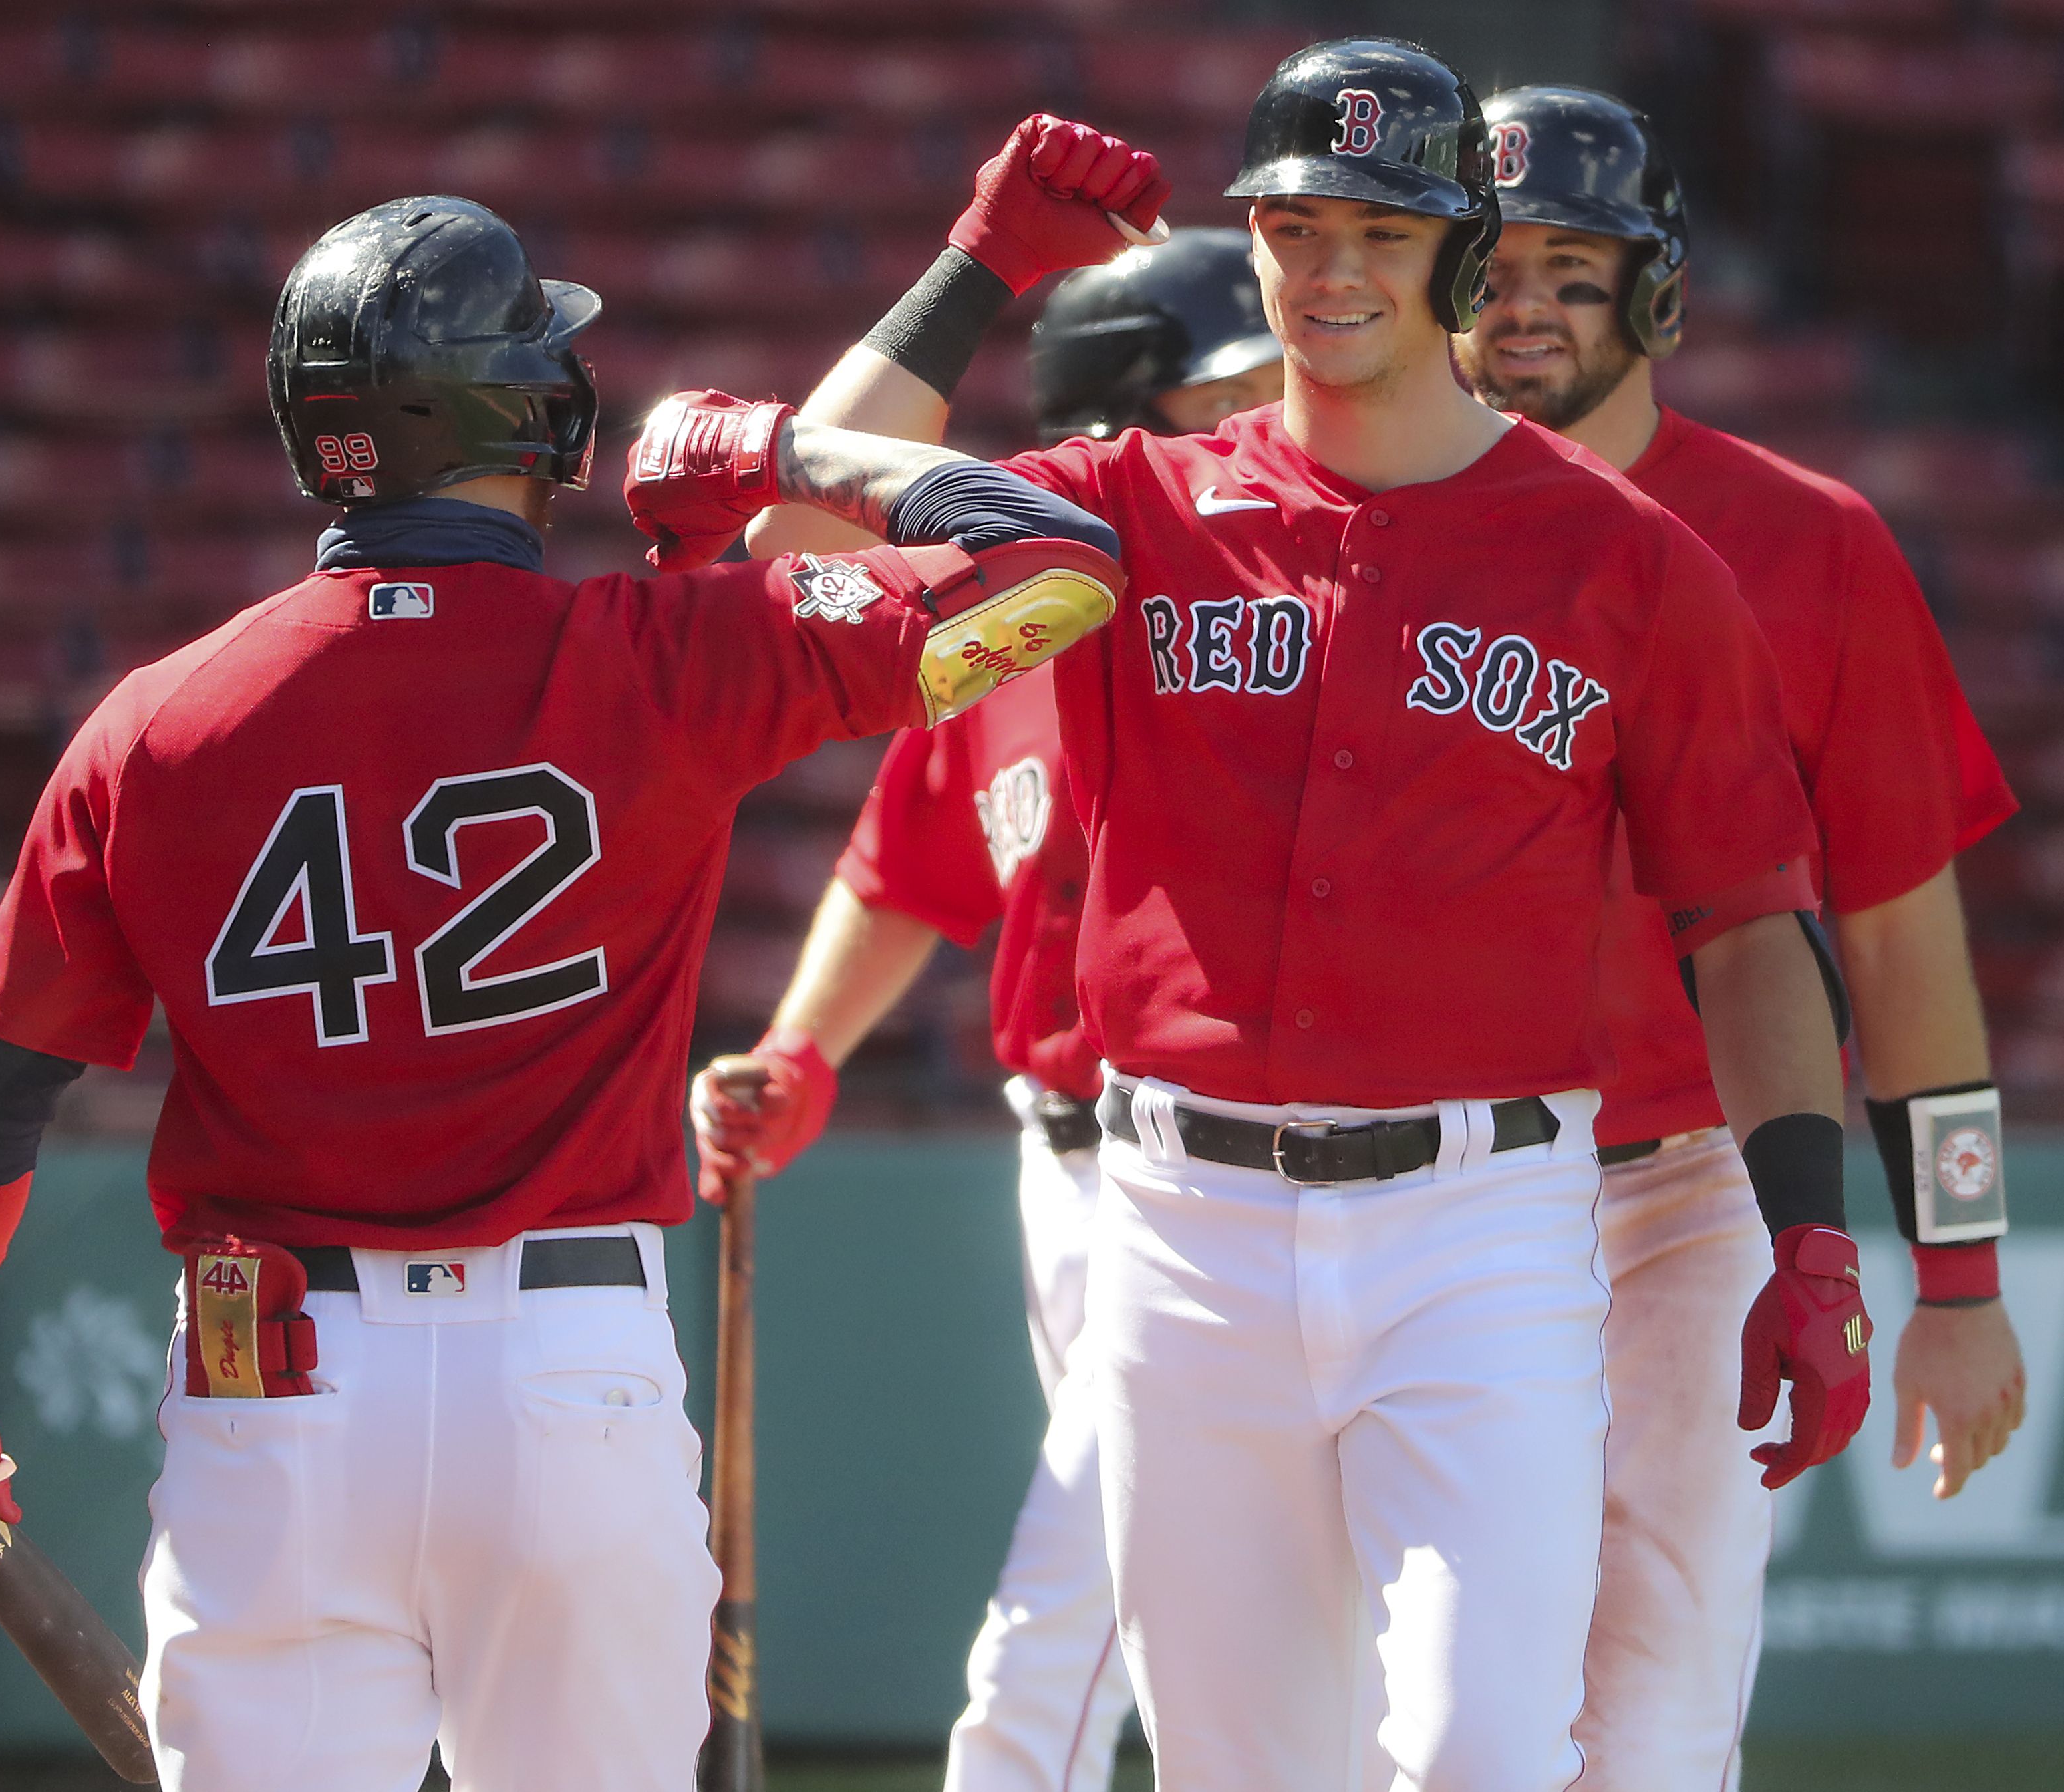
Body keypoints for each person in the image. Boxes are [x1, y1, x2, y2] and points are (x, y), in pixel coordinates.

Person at [0, 195, 1128, 1792]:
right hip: (565, 1378)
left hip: (274, 1389)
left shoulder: (151, 726)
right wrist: (781, 450)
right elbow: (1057, 568)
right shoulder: (658, 653)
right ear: (523, 409)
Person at [714, 41, 1868, 1789]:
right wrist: (981, 264)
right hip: (1178, 1219)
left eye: (1379, 232)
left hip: (1485, 1224)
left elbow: (1748, 923)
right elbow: (796, 527)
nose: (1328, 270)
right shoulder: (1126, 510)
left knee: (1484, 1747)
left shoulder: (1628, 562)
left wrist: (1813, 1233)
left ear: (1465, 258)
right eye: (1292, 224)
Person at [1455, 84, 2027, 1790]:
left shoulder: (1812, 543)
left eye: (1574, 267)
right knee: (1429, 1710)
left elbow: (1909, 955)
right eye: (1487, 265)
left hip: (1696, 1187)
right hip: (1434, 1182)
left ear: (1656, 291)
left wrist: (1966, 1277)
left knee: (1659, 1704)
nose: (1524, 305)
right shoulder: (1365, 522)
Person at [692, 229, 1282, 1792]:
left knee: (1073, 1606)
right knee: (1173, 1596)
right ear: (1097, 430)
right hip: (1069, 1166)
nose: (1267, 420)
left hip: (1229, 1174)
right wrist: (804, 1046)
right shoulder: (1013, 625)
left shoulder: (1281, 615)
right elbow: (902, 874)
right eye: (1222, 396)